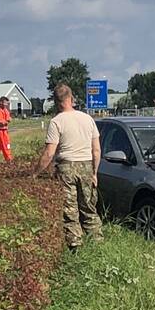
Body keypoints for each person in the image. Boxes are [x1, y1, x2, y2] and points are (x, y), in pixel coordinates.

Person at [34, 84, 102, 251]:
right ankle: (97, 243)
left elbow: (49, 153)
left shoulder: (56, 122)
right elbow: (96, 150)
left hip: (66, 167)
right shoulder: (88, 119)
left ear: (56, 102)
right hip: (86, 165)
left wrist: (35, 173)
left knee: (70, 210)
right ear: (71, 99)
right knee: (89, 207)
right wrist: (94, 172)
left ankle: (75, 246)